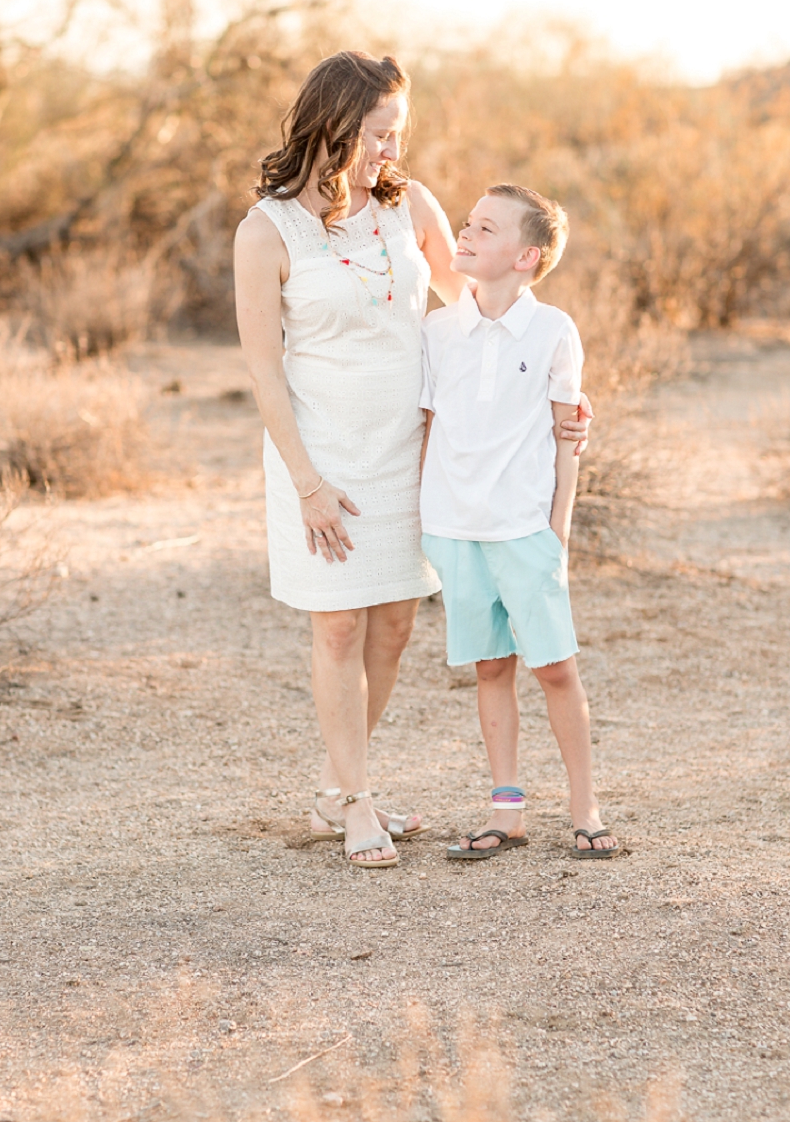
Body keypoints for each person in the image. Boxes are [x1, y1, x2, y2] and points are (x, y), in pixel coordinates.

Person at [234, 53, 592, 868]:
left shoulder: (410, 208)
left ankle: (337, 783)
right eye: (379, 135)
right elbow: (263, 366)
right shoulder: (266, 231)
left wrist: (554, 390)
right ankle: (357, 806)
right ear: (332, 126)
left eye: (400, 133)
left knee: (393, 629)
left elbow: (483, 311)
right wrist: (309, 483)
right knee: (337, 629)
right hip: (319, 455)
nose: (393, 151)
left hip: (409, 453)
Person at [419, 183, 618, 860]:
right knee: (490, 668)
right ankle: (507, 808)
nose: (465, 234)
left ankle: (585, 806)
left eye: (485, 227)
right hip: (455, 529)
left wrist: (557, 533)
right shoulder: (439, 332)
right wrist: (425, 524)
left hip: (527, 531)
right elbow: (425, 428)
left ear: (527, 255)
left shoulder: (554, 330)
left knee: (556, 669)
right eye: (466, 223)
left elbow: (568, 434)